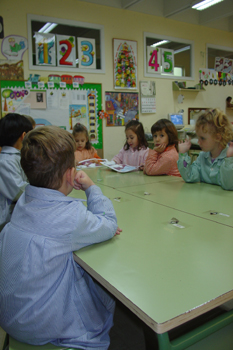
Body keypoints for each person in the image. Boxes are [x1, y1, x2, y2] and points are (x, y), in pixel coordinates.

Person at [0, 125, 121, 349]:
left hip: (9, 318)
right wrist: (92, 188)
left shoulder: (24, 201)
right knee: (102, 297)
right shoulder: (71, 216)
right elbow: (110, 225)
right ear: (69, 174)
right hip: (41, 326)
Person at [178, 108, 233, 190]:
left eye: (202, 138)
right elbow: (190, 177)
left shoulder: (229, 157)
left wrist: (229, 159)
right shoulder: (203, 156)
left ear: (217, 137)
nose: (198, 142)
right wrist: (183, 155)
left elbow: (228, 185)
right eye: (198, 137)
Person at [0, 113, 33, 230]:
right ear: (24, 136)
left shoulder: (15, 157)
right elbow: (17, 191)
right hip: (6, 220)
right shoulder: (5, 161)